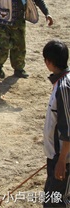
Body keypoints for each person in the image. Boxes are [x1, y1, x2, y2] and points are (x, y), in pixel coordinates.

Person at [42, 39, 70, 208]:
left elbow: (68, 128)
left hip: (64, 160)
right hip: (56, 156)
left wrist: (61, 160)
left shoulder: (64, 88)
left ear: (49, 62)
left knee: (59, 203)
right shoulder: (60, 83)